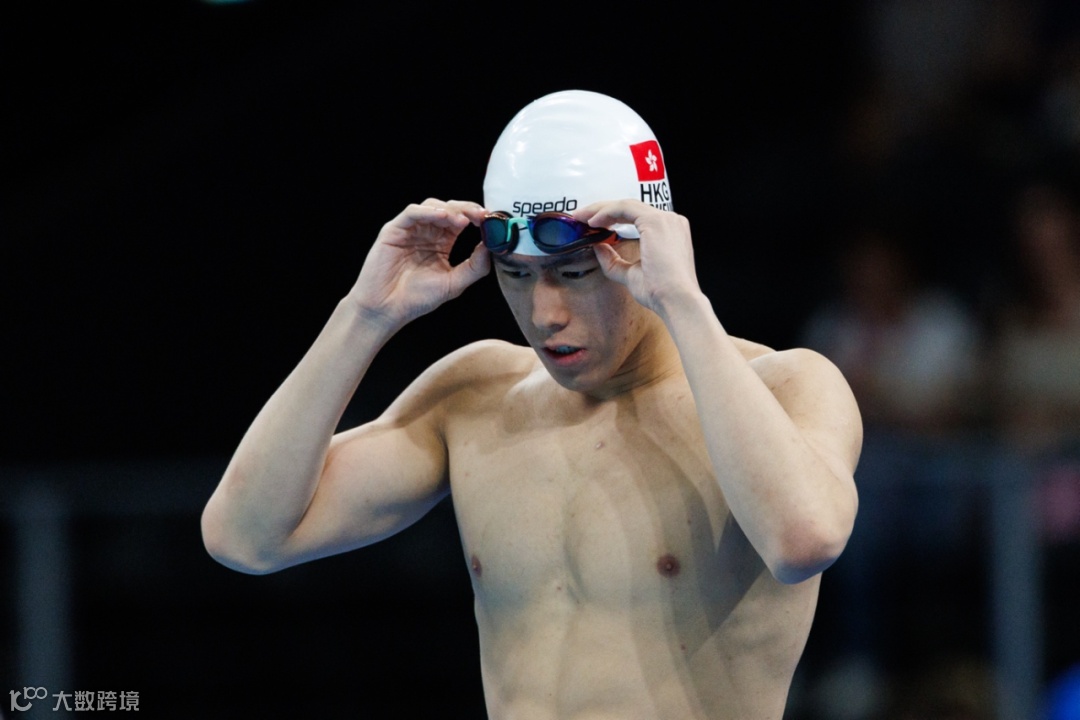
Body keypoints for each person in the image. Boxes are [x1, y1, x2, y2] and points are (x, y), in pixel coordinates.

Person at [201, 90, 862, 719]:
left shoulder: (786, 386)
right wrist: (364, 316)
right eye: (516, 276)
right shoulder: (474, 396)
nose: (545, 315)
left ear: (646, 244)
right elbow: (245, 536)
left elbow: (802, 540)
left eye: (573, 273)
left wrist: (684, 301)